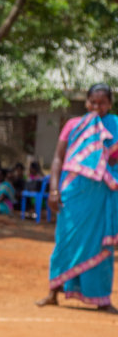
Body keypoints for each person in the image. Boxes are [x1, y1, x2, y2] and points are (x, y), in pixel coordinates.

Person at [38, 83, 118, 313]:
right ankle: (53, 292)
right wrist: (54, 190)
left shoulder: (115, 126)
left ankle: (102, 299)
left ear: (110, 104)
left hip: (103, 194)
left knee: (101, 245)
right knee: (66, 239)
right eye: (93, 102)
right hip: (73, 192)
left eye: (102, 103)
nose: (97, 107)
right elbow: (57, 158)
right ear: (86, 102)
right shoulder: (73, 125)